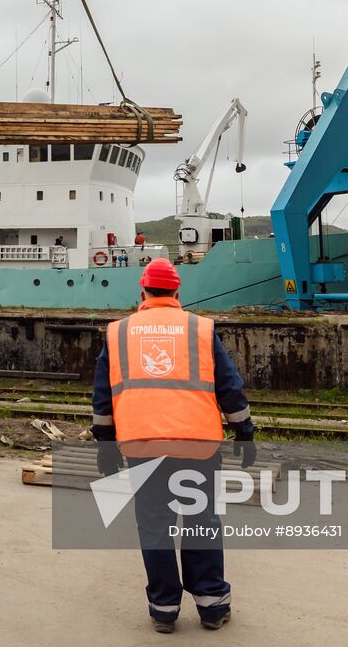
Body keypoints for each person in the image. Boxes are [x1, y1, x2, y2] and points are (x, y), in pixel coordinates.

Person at [91, 258, 257, 633]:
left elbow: (103, 396)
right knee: (202, 523)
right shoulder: (200, 329)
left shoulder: (118, 333)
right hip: (197, 445)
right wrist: (244, 432)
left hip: (141, 444)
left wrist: (104, 444)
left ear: (143, 292)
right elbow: (229, 386)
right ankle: (212, 607)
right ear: (178, 293)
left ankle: (164, 610)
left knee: (154, 527)